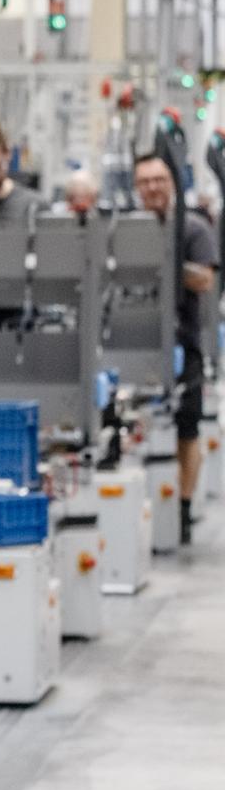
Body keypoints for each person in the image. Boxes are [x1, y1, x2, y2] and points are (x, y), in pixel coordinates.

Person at [133, 151, 220, 539]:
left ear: (172, 183)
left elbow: (204, 278)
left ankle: (182, 509)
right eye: (145, 181)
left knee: (187, 428)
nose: (152, 188)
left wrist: (165, 263)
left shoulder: (193, 228)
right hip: (137, 340)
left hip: (185, 342)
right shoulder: (129, 228)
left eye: (159, 180)